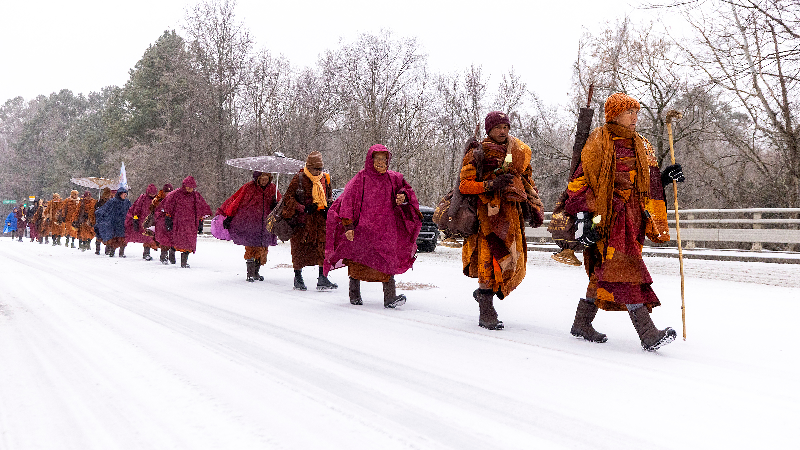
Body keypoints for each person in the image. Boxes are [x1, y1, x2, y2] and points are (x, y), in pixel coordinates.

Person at [564, 92, 684, 351]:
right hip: (607, 220)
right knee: (626, 269)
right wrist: (586, 219)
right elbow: (580, 184)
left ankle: (581, 323)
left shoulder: (642, 144)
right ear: (614, 114)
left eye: (637, 112)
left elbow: (647, 185)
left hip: (633, 219)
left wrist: (664, 177)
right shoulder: (598, 142)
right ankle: (647, 332)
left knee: (604, 272)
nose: (635, 117)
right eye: (630, 112)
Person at [459, 111, 544, 330]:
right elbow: (465, 185)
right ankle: (486, 309)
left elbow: (527, 181)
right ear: (489, 130)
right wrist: (490, 185)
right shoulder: (477, 152)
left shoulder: (518, 151)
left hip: (510, 214)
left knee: (510, 258)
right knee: (489, 259)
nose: (503, 131)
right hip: (486, 215)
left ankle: (484, 294)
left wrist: (534, 205)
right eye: (498, 127)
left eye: (506, 127)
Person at [324, 144, 421, 308]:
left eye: (384, 159)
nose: (381, 162)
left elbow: (407, 190)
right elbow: (346, 202)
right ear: (371, 160)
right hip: (363, 230)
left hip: (386, 231)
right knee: (357, 261)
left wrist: (403, 196)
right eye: (377, 159)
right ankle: (354, 295)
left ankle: (390, 298)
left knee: (388, 261)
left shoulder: (393, 178)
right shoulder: (360, 179)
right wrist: (348, 226)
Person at [282, 152, 337, 290]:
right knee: (299, 250)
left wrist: (327, 207)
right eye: (316, 168)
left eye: (321, 168)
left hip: (320, 220)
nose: (319, 171)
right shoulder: (299, 179)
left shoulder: (325, 179)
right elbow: (288, 199)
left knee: (322, 248)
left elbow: (329, 196)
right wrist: (303, 208)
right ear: (309, 166)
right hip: (302, 222)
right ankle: (298, 277)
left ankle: (322, 278)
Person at [218, 172, 281, 282]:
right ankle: (250, 273)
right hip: (250, 222)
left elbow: (281, 204)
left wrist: (276, 205)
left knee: (263, 248)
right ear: (257, 179)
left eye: (266, 179)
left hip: (266, 223)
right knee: (251, 247)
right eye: (262, 179)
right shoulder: (249, 187)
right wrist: (229, 215)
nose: (264, 181)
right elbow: (237, 201)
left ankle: (256, 272)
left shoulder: (273, 189)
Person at [159, 176, 211, 268]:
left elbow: (201, 209)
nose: (190, 189)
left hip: (191, 224)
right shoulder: (176, 194)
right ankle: (172, 250)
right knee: (177, 240)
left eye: (192, 187)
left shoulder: (196, 196)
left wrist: (200, 221)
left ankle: (184, 262)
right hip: (178, 222)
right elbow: (167, 205)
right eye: (188, 187)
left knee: (189, 243)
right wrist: (168, 218)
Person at [95, 187, 132, 257]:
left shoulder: (127, 202)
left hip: (124, 223)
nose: (125, 195)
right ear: (120, 194)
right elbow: (105, 208)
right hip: (114, 223)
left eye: (125, 194)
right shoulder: (113, 201)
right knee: (114, 238)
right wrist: (99, 212)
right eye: (124, 194)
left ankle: (121, 253)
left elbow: (131, 210)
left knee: (123, 239)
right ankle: (112, 252)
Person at [125, 184, 159, 261]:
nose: (152, 195)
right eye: (151, 193)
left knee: (152, 237)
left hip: (153, 221)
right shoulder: (143, 198)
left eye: (154, 193)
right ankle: (146, 253)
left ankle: (150, 252)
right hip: (144, 222)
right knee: (147, 237)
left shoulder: (157, 199)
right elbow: (137, 210)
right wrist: (135, 219)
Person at [152, 184, 175, 264]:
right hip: (162, 222)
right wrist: (163, 216)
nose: (168, 194)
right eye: (166, 192)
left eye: (169, 192)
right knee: (164, 239)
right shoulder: (159, 199)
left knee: (173, 238)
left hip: (172, 221)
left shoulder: (174, 199)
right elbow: (155, 211)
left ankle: (172, 254)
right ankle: (164, 256)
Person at [94, 188, 113, 255]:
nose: (108, 196)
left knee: (108, 235)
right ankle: (97, 249)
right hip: (101, 220)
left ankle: (107, 250)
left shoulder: (111, 202)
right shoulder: (99, 202)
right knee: (99, 235)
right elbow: (96, 211)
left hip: (108, 220)